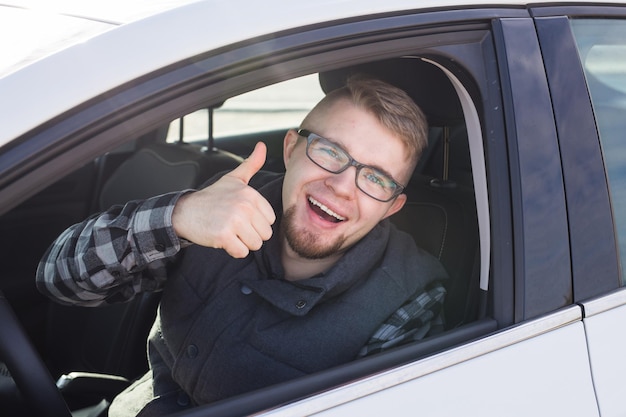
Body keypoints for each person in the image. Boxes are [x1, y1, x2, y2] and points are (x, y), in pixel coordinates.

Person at [36, 76, 448, 416]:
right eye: (330, 151)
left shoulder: (409, 300)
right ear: (291, 149)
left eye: (376, 178)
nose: (341, 186)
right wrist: (176, 218)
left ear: (392, 207)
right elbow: (60, 280)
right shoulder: (219, 209)